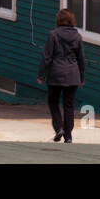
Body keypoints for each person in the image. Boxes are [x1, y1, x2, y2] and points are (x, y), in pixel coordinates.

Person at [38, 8, 86, 142]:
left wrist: (41, 75)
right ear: (72, 21)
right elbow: (81, 58)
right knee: (69, 105)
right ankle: (68, 136)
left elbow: (47, 57)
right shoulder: (77, 36)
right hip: (73, 75)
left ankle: (59, 128)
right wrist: (82, 77)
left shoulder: (53, 35)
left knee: (53, 102)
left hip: (55, 74)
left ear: (58, 20)